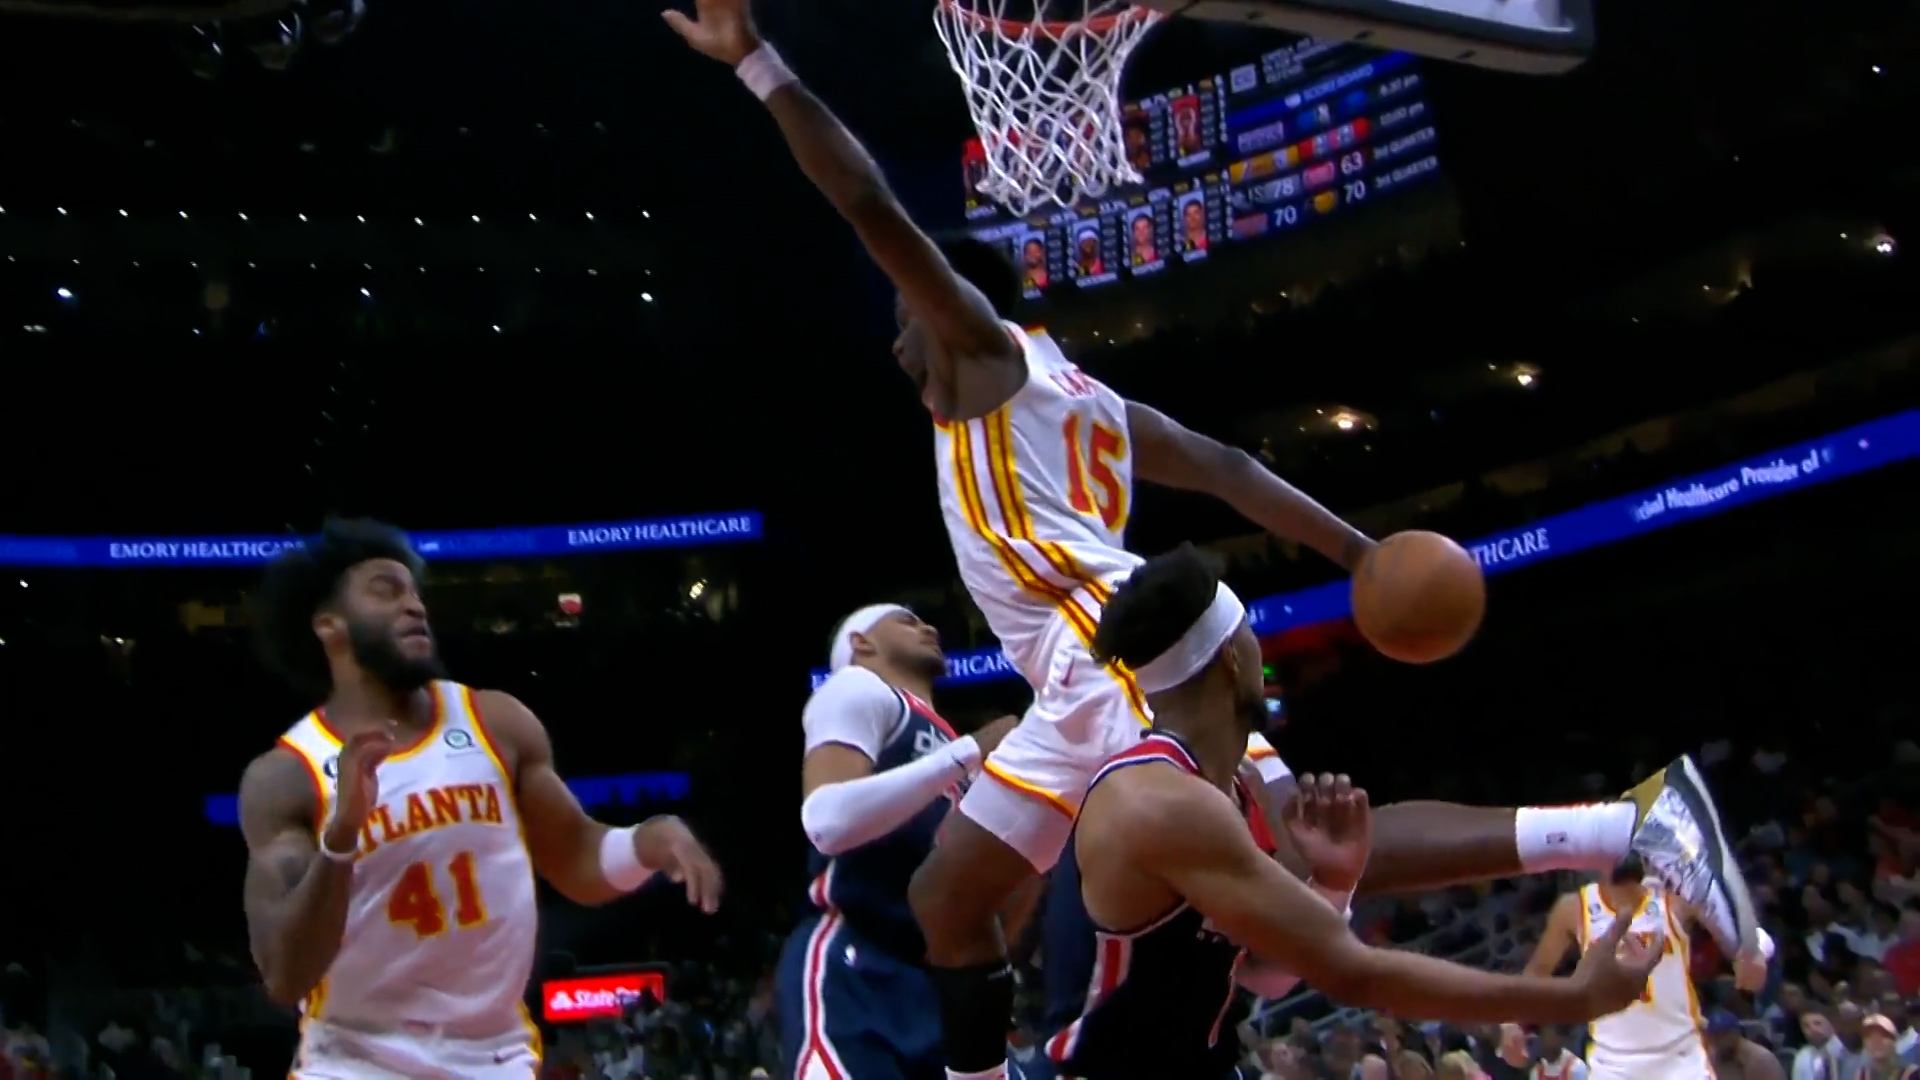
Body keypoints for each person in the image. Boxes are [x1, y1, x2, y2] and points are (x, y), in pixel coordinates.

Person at [661, 7, 1760, 1077]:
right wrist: (1357, 554)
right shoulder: (1083, 394)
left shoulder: (980, 358)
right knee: (947, 900)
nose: (901, 346)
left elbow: (865, 202)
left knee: (1292, 831)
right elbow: (1228, 469)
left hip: (1117, 645)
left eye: (908, 321)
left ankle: (1624, 824)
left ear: (947, 311)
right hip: (1069, 669)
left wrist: (757, 63)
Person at [1037, 544, 1666, 1079]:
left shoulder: (1238, 788)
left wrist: (1334, 883)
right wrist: (1572, 997)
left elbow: (1267, 975)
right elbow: (1354, 974)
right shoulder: (1160, 800)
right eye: (1250, 634)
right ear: (1232, 657)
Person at [239, 518, 724, 1079]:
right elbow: (285, 974)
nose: (413, 606)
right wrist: (342, 836)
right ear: (329, 625)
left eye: (415, 592)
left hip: (494, 1055)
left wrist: (647, 841)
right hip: (355, 1061)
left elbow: (574, 857)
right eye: (385, 590)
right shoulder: (287, 776)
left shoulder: (495, 723)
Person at [779, 604, 1016, 1080]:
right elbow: (826, 821)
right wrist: (971, 751)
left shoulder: (944, 738)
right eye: (906, 621)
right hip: (857, 962)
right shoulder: (857, 687)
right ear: (861, 644)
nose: (929, 626)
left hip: (936, 975)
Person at [1524, 853, 1772, 1080]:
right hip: (1612, 1066)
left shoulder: (1675, 899)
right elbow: (1537, 973)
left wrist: (1753, 948)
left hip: (1681, 1060)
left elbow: (1739, 927)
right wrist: (1515, 1024)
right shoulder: (1574, 908)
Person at [1706, 1011, 1787, 1080]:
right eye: (1714, 1036)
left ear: (1735, 1033)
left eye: (1722, 1035)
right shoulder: (1713, 1058)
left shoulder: (1760, 1060)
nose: (1718, 1041)